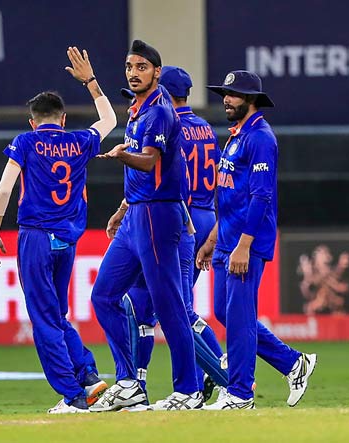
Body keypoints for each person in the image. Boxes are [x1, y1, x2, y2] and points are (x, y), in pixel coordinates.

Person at [0, 47, 117, 414]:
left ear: (33, 121)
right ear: (62, 120)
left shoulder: (26, 142)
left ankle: (73, 395)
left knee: (43, 319)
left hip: (36, 237)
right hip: (68, 240)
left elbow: (4, 189)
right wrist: (91, 82)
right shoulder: (79, 141)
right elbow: (108, 121)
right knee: (57, 314)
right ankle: (89, 377)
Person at [90, 40, 202, 412]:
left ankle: (188, 390)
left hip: (158, 214)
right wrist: (123, 208)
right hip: (137, 213)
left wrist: (123, 155)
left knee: (170, 305)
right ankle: (129, 382)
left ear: (156, 71)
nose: (133, 73)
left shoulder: (159, 111)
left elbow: (150, 161)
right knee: (103, 296)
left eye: (141, 67)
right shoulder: (138, 111)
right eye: (128, 67)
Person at [197, 70, 317, 410]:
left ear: (250, 100)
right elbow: (232, 195)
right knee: (226, 312)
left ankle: (240, 394)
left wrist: (244, 245)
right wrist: (213, 238)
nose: (226, 99)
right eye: (225, 93)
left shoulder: (261, 138)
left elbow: (261, 198)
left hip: (245, 245)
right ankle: (294, 363)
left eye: (232, 94)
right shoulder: (236, 137)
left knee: (239, 317)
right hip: (226, 241)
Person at [121, 66, 228, 403]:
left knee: (172, 307)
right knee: (165, 305)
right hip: (206, 213)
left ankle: (223, 377)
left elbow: (162, 174)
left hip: (178, 215)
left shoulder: (166, 122)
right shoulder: (206, 127)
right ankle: (204, 378)